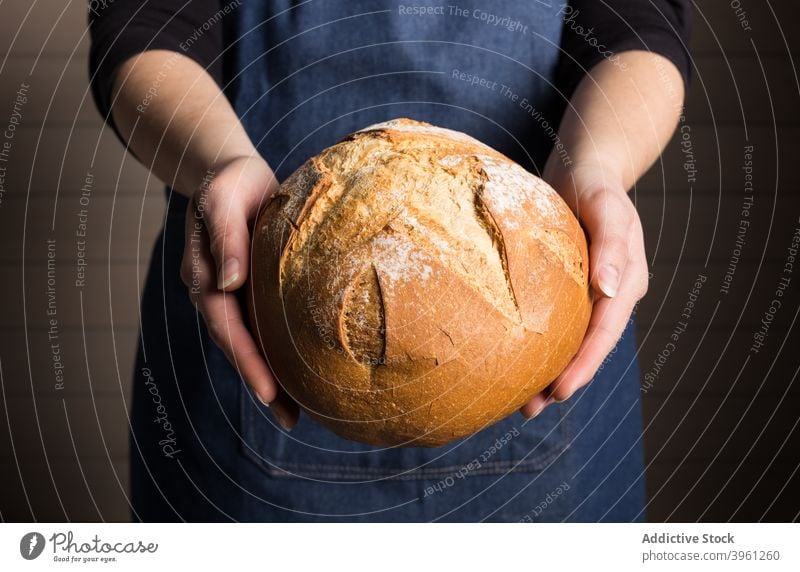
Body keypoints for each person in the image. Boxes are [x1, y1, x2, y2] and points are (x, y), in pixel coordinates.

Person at [89, 0, 690, 522]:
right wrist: (218, 163)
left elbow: (638, 25)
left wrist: (599, 165)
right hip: (248, 321)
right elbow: (146, 24)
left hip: (544, 350)